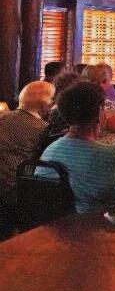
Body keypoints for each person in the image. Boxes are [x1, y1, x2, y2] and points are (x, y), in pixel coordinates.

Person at [39, 82, 115, 214]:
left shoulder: (50, 151)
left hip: (56, 225)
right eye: (106, 107)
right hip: (100, 224)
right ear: (99, 112)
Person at [0, 81, 55, 226]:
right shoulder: (42, 127)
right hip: (14, 189)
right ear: (44, 104)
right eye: (52, 99)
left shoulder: (3, 117)